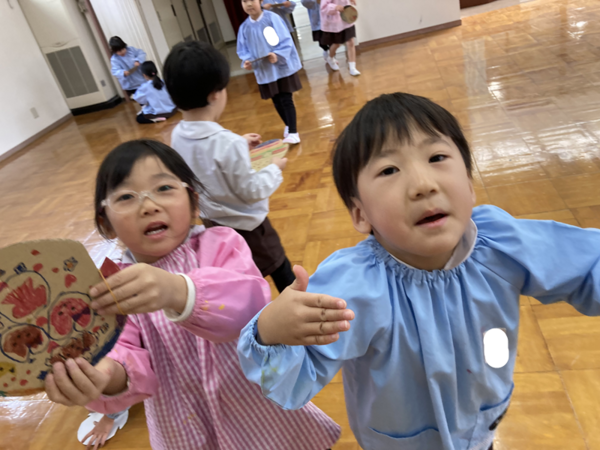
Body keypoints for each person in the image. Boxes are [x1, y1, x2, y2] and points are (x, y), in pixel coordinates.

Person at [238, 92, 600, 450]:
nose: (423, 185)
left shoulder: (503, 244)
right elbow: (290, 381)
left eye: (437, 157)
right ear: (360, 213)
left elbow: (587, 264)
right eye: (389, 170)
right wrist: (271, 333)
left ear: (470, 185)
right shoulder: (351, 286)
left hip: (482, 427)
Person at [43, 140, 344, 450]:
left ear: (194, 203)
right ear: (106, 224)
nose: (148, 206)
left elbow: (249, 308)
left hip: (255, 408)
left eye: (164, 188)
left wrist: (177, 291)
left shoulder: (222, 244)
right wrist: (104, 375)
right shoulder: (111, 286)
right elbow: (123, 353)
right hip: (181, 423)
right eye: (126, 197)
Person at [165, 41, 296, 293]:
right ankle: (299, 306)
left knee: (239, 282)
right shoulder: (227, 143)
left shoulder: (178, 135)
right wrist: (274, 168)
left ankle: (247, 313)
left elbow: (205, 159)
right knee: (281, 270)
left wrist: (240, 143)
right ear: (215, 93)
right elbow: (252, 190)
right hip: (249, 228)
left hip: (213, 227)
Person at [238, 0, 303, 144]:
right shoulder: (244, 28)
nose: (249, 4)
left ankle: (293, 132)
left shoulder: (272, 18)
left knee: (286, 98)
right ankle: (288, 125)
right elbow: (243, 50)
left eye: (252, 0)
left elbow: (285, 40)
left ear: (260, 1)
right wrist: (247, 61)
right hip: (265, 71)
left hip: (281, 67)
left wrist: (277, 54)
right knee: (276, 100)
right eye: (244, 1)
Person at [320, 0, 360, 76]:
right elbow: (324, 7)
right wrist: (335, 7)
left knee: (351, 42)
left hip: (347, 18)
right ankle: (330, 58)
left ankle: (352, 68)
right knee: (337, 44)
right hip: (335, 22)